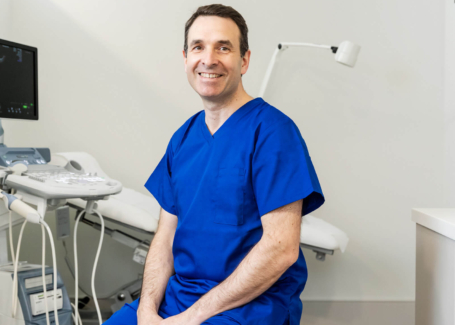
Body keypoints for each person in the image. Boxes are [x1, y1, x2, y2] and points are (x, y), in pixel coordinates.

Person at [103, 4, 324, 325]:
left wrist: (192, 317)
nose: (209, 59)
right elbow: (165, 238)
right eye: (198, 47)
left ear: (244, 60)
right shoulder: (182, 139)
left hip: (249, 305)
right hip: (178, 297)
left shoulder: (273, 132)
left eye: (224, 47)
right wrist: (147, 309)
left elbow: (282, 248)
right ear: (186, 59)